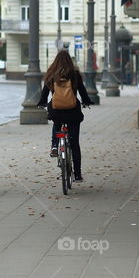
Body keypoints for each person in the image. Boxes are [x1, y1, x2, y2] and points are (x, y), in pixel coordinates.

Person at [38, 50, 91, 182]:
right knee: (74, 144)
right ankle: (77, 175)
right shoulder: (74, 74)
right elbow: (82, 91)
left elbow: (45, 92)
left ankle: (55, 146)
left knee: (57, 123)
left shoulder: (51, 73)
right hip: (72, 112)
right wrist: (86, 101)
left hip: (57, 111)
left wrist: (42, 103)